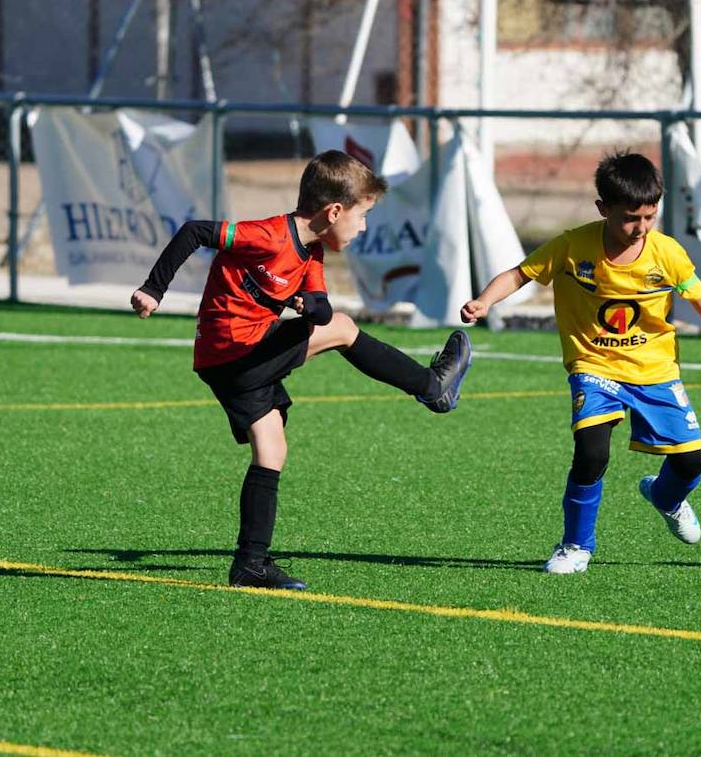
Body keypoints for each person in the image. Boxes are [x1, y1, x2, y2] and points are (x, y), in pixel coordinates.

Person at [131, 150, 472, 591]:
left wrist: (311, 305)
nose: (363, 226)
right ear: (333, 211)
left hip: (228, 361)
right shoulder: (269, 235)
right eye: (363, 215)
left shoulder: (311, 255)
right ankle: (431, 387)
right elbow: (195, 231)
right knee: (344, 329)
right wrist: (153, 289)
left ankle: (250, 565)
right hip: (236, 351)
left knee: (271, 448)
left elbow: (320, 304)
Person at [461, 151, 701, 574]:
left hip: (654, 370)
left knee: (691, 461)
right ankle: (575, 546)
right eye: (630, 218)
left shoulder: (666, 254)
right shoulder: (573, 246)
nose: (641, 227)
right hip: (594, 366)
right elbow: (520, 274)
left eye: (650, 216)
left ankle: (666, 497)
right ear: (603, 209)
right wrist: (483, 300)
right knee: (591, 452)